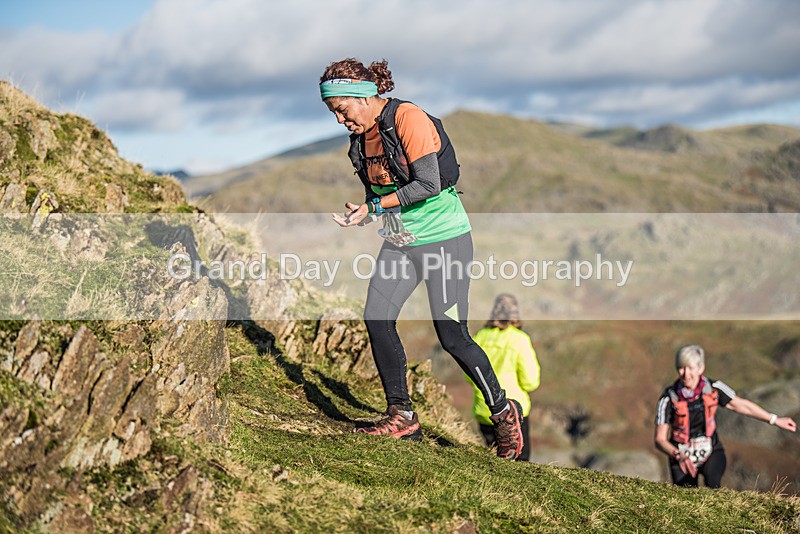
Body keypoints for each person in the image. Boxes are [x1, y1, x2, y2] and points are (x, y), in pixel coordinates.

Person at [319, 57, 525, 459]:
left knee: (452, 337)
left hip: (445, 240)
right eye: (333, 114)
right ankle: (402, 416)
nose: (341, 121)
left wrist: (374, 208)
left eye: (342, 110)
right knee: (377, 318)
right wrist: (365, 212)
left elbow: (427, 184)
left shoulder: (407, 118)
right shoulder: (360, 141)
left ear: (363, 97)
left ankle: (503, 412)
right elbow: (382, 192)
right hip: (401, 242)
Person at [654, 344, 797, 488]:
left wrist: (774, 419)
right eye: (681, 368)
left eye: (690, 368)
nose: (686, 374)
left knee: (713, 483)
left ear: (700, 368)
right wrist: (678, 455)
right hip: (680, 454)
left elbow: (741, 405)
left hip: (711, 450)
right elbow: (660, 439)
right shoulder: (668, 398)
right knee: (686, 494)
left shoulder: (714, 388)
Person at [470, 294, 540, 462]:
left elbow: (469, 375)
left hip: (484, 408)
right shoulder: (520, 339)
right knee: (519, 460)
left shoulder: (480, 337)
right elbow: (531, 381)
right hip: (513, 410)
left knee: (494, 457)